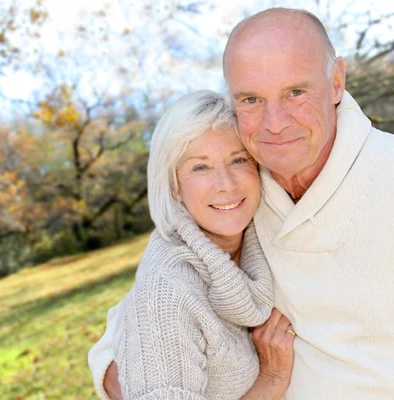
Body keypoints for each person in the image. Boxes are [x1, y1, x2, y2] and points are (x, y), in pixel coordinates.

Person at [90, 7, 394, 399]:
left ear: (336, 82)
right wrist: (127, 375)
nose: (275, 124)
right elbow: (145, 309)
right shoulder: (238, 191)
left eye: (296, 92)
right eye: (252, 100)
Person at [89, 90, 296, 400]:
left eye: (238, 160)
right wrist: (271, 380)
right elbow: (155, 306)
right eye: (201, 167)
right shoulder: (168, 289)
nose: (226, 183)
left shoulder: (264, 236)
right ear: (173, 186)